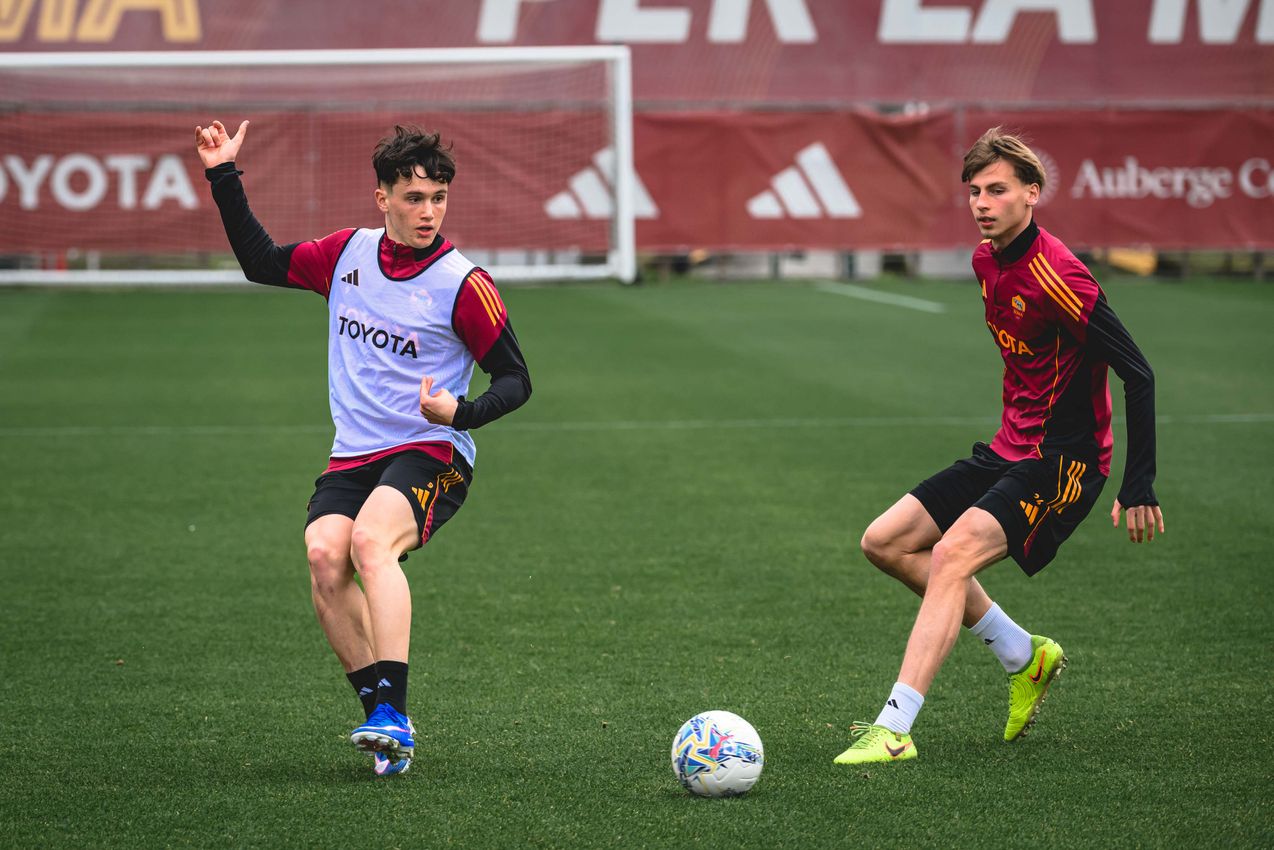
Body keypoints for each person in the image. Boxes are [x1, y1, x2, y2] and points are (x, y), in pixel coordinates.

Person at [194, 120, 532, 777]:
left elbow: (517, 380)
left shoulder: (464, 284)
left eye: (437, 197)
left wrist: (461, 411)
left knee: (370, 543)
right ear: (382, 199)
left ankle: (394, 719)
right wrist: (222, 175)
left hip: (434, 450)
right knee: (324, 555)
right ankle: (384, 715)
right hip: (355, 454)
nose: (427, 211)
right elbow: (262, 264)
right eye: (413, 197)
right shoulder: (345, 255)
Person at [834, 127, 1163, 765]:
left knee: (952, 554)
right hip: (1008, 448)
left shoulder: (1060, 273)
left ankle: (895, 729)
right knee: (885, 541)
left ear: (1031, 195)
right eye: (974, 191)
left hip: (1065, 460)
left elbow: (1139, 373)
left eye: (998, 190)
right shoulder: (986, 261)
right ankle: (1024, 655)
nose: (982, 202)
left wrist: (1138, 482)